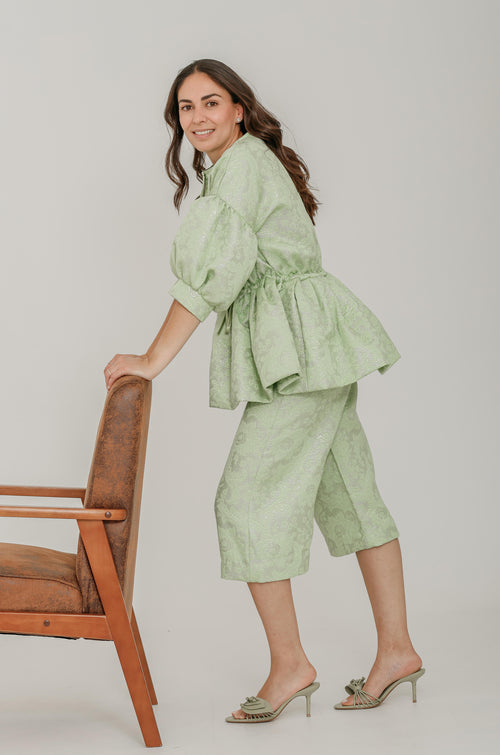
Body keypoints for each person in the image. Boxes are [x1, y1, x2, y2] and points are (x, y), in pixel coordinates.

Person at [103, 58, 424, 722]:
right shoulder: (236, 166)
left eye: (210, 102)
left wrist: (153, 358)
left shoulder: (242, 166)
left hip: (301, 354)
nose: (198, 117)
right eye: (186, 107)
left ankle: (291, 666)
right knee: (353, 496)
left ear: (239, 109)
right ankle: (397, 652)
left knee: (244, 500)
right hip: (316, 346)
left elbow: (209, 278)